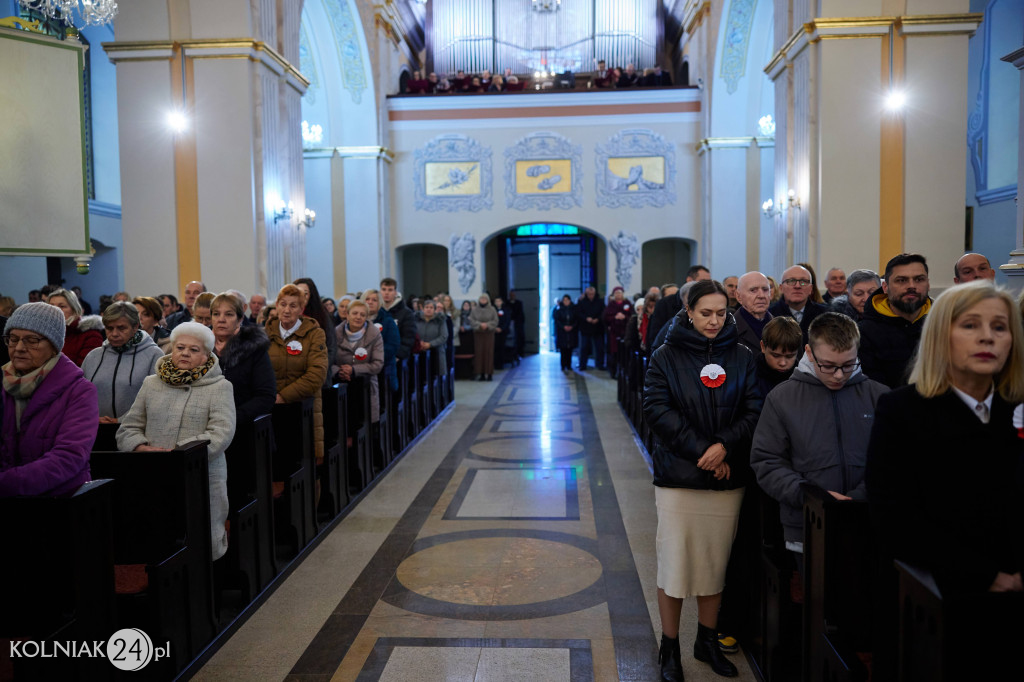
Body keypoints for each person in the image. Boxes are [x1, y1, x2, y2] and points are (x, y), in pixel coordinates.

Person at [865, 281, 1024, 678]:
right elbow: (894, 516)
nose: (987, 336)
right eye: (970, 325)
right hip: (937, 596)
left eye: (1000, 327)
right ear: (941, 336)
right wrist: (989, 577)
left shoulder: (1015, 410)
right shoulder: (903, 410)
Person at [643, 280, 762, 680]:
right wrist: (704, 453)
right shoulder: (666, 354)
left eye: (720, 313)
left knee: (715, 564)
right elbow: (657, 410)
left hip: (727, 474)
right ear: (689, 312)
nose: (714, 321)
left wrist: (724, 447)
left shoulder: (743, 355)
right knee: (675, 563)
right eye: (705, 313)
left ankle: (706, 640)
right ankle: (670, 647)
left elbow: (754, 407)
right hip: (680, 476)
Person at [752, 313, 888, 554]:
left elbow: (894, 460)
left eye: (848, 365)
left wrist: (858, 497)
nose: (838, 375)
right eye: (827, 365)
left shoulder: (878, 396)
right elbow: (767, 461)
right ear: (809, 352)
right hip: (806, 524)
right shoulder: (782, 398)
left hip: (869, 520)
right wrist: (811, 496)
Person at [116, 321, 236, 560]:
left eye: (194, 350)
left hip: (202, 475)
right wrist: (141, 447)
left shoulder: (220, 387)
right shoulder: (152, 383)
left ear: (206, 356)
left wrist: (180, 455)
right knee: (160, 541)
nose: (185, 353)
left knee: (202, 542)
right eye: (180, 347)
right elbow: (128, 427)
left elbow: (221, 433)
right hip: (153, 473)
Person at [0, 303, 98, 497]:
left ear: (54, 346)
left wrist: (8, 483)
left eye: (32, 340)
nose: (19, 348)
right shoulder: (2, 383)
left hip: (60, 499)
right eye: (13, 339)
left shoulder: (79, 391)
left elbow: (69, 457)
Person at [266, 284, 328, 463]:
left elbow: (316, 374)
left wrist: (283, 396)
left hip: (303, 408)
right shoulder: (265, 333)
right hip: (272, 409)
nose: (286, 310)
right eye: (283, 304)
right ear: (276, 306)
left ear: (301, 309)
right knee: (275, 465)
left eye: (293, 306)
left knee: (303, 464)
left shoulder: (314, 334)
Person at [82, 302, 164, 423]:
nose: (114, 334)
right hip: (95, 428)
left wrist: (121, 420)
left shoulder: (154, 355)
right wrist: (92, 418)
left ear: (135, 327)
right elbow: (81, 394)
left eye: (121, 328)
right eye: (109, 328)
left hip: (136, 430)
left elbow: (157, 398)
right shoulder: (93, 356)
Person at [858, 253, 931, 388]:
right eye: (902, 280)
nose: (911, 286)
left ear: (928, 284)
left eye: (919, 279)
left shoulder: (944, 325)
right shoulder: (864, 333)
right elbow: (872, 389)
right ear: (885, 287)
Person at [211, 293, 276, 429]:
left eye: (229, 314)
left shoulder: (253, 349)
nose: (221, 319)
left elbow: (266, 396)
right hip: (209, 427)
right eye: (216, 314)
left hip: (245, 427)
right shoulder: (202, 348)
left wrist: (232, 417)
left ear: (240, 319)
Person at [333, 300, 384, 426]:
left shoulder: (375, 335)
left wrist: (354, 370)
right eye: (355, 313)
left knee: (364, 427)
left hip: (365, 387)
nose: (358, 317)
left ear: (366, 317)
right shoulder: (335, 333)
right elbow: (327, 361)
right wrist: (339, 371)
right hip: (340, 384)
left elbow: (377, 363)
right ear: (347, 315)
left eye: (362, 315)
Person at [294, 277, 337, 386]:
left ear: (311, 295)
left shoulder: (322, 316)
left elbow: (331, 347)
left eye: (306, 293)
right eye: (298, 293)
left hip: (318, 374)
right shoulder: (289, 316)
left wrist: (317, 368)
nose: (301, 297)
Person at [769, 265, 828, 343]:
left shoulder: (825, 315)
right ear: (781, 288)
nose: (797, 286)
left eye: (803, 282)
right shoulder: (770, 315)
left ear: (810, 289)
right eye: (791, 281)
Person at [47, 288, 103, 366]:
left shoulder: (91, 335)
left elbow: (85, 369)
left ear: (74, 310)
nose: (55, 310)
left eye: (62, 306)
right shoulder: (45, 334)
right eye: (51, 306)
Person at [363, 288, 400, 392]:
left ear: (380, 303)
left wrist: (373, 358)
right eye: (367, 299)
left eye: (374, 300)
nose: (370, 302)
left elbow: (392, 346)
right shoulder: (357, 321)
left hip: (383, 370)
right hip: (360, 368)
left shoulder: (387, 321)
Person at [755, 316, 801, 397]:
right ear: (763, 347)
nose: (783, 363)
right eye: (776, 355)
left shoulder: (803, 379)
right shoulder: (750, 377)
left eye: (790, 356)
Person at [733, 271, 773, 353]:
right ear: (738, 296)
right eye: (753, 290)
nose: (761, 295)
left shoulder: (783, 327)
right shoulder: (727, 331)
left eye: (765, 290)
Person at [380, 278, 417, 362]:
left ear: (395, 292)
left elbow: (408, 338)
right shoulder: (376, 311)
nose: (386, 293)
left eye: (390, 290)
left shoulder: (406, 313)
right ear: (380, 292)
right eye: (384, 289)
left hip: (398, 357)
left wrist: (398, 355)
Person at [603, 286, 632, 377]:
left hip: (625, 332)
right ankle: (613, 371)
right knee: (614, 353)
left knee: (624, 352)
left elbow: (631, 316)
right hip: (614, 333)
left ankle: (625, 371)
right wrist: (615, 317)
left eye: (619, 293)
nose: (618, 295)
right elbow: (605, 317)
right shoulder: (611, 305)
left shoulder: (627, 303)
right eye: (616, 293)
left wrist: (624, 317)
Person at [576, 286, 606, 371]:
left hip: (597, 327)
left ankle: (600, 364)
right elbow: (578, 313)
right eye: (589, 294)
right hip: (585, 327)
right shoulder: (582, 302)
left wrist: (597, 319)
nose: (590, 296)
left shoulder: (600, 302)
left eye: (592, 294)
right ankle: (582, 364)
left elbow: (603, 312)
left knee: (599, 347)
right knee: (584, 347)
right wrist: (586, 318)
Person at [416, 299, 449, 375]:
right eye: (426, 307)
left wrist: (430, 344)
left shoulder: (440, 320)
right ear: (423, 309)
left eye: (431, 308)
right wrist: (419, 343)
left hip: (437, 352)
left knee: (436, 375)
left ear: (434, 310)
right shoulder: (416, 320)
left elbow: (444, 336)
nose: (428, 309)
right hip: (419, 350)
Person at [469, 293, 498, 381]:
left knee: (488, 353)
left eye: (485, 299)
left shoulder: (492, 309)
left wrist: (487, 325)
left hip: (489, 334)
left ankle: (489, 374)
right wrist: (480, 325)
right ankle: (481, 374)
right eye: (481, 299)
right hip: (478, 334)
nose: (483, 300)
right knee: (479, 354)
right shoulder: (474, 310)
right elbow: (472, 320)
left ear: (488, 300)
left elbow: (495, 320)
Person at [553, 295, 577, 371]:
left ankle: (569, 365)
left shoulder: (573, 309)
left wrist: (572, 326)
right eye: (564, 300)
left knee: (570, 349)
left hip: (571, 332)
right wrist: (563, 327)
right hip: (562, 332)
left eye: (567, 300)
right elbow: (557, 320)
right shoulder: (559, 310)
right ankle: (563, 365)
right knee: (563, 350)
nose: (566, 301)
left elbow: (576, 320)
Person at [507, 290, 525, 361]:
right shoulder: (507, 303)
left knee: (519, 339)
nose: (512, 296)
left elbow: (521, 315)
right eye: (511, 295)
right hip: (509, 324)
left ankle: (519, 354)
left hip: (517, 324)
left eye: (513, 295)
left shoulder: (519, 303)